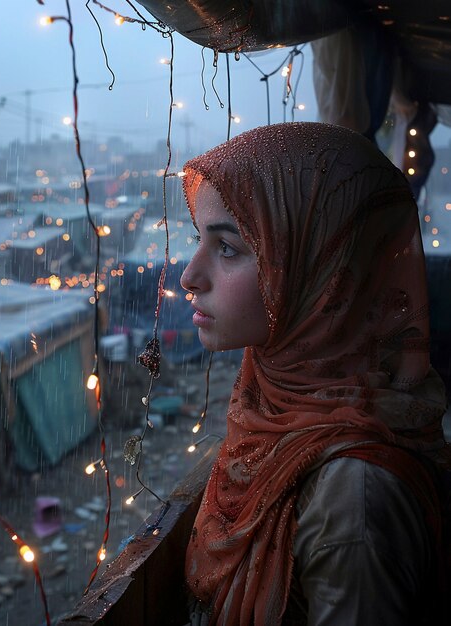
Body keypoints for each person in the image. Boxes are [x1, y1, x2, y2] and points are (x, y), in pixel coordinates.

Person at [179, 122, 449, 626]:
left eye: (229, 248)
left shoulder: (355, 504)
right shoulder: (275, 402)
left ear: (322, 274)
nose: (189, 276)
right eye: (200, 240)